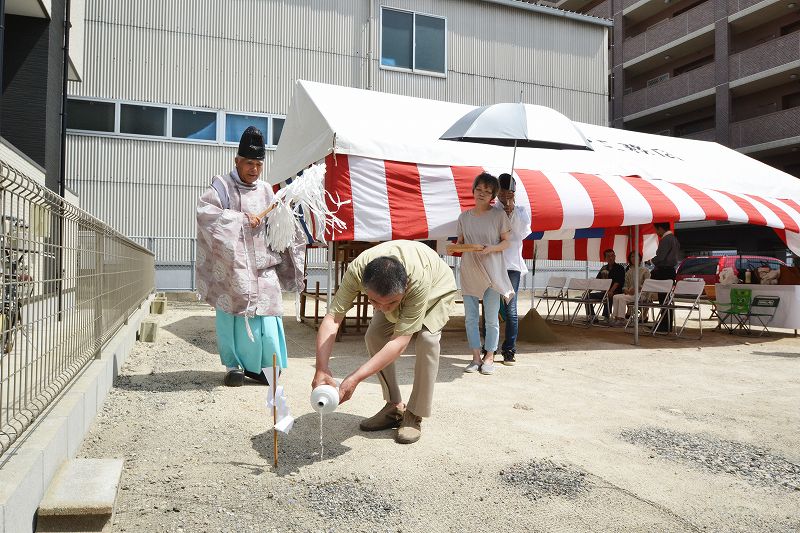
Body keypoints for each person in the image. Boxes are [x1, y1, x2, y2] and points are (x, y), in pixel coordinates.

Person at [312, 240, 457, 445]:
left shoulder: (417, 280)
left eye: (392, 303)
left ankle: (414, 413)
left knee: (427, 341)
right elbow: (333, 319)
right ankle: (394, 406)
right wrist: (321, 368)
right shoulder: (357, 271)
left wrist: (354, 378)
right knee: (375, 336)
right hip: (399, 286)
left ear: (405, 287)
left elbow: (399, 342)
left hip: (436, 289)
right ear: (364, 286)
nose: (384, 308)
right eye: (374, 301)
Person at [196, 126, 306, 387]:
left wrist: (282, 216)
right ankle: (233, 366)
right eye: (248, 163)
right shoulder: (221, 186)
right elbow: (205, 215)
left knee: (268, 322)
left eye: (258, 163)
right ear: (237, 161)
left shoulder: (267, 190)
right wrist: (241, 220)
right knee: (232, 318)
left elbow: (278, 228)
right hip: (233, 268)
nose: (254, 169)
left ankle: (266, 367)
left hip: (263, 267)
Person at [455, 172, 513, 375]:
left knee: (491, 317)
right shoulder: (464, 217)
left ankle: (490, 357)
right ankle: (475, 357)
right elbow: (460, 244)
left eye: (487, 191)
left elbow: (507, 242)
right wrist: (453, 247)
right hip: (470, 270)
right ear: (473, 191)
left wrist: (491, 248)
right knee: (470, 318)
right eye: (478, 189)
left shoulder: (499, 215)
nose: (482, 193)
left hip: (492, 271)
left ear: (493, 196)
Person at [494, 173, 531, 365]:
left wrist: (512, 213)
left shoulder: (522, 211)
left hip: (513, 266)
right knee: (491, 308)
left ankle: (509, 349)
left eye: (509, 192)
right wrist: (503, 214)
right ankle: (489, 349)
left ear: (514, 192)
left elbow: (522, 233)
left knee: (511, 310)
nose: (505, 195)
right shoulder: (491, 211)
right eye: (502, 191)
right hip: (494, 264)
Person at [651, 221, 680, 332]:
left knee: (663, 299)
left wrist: (652, 260)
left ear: (660, 228)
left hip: (664, 271)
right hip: (670, 271)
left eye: (657, 230)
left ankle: (664, 325)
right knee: (667, 299)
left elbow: (660, 257)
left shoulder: (666, 239)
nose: (656, 232)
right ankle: (667, 324)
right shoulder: (674, 239)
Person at [610, 250, 651, 327]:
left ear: (640, 259)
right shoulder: (629, 272)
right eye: (632, 256)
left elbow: (647, 284)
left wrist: (637, 288)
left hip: (641, 294)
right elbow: (625, 284)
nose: (634, 258)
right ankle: (616, 318)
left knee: (622, 299)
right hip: (630, 294)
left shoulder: (645, 270)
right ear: (630, 259)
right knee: (615, 296)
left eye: (636, 256)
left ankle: (621, 319)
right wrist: (625, 290)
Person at [586, 249, 625, 321]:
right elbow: (597, 280)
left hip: (616, 292)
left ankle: (606, 317)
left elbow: (617, 282)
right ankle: (592, 316)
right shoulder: (603, 268)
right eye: (608, 256)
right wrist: (589, 290)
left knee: (608, 295)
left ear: (615, 257)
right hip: (604, 292)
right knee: (586, 296)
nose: (611, 258)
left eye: (612, 256)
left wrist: (610, 291)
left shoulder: (620, 268)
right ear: (605, 258)